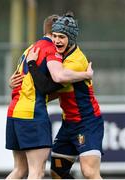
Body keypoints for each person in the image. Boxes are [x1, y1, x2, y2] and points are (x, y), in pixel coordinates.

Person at [6, 14, 93, 179]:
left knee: (19, 170)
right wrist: (85, 74)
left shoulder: (30, 49)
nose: (59, 40)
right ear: (54, 32)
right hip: (31, 114)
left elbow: (17, 80)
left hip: (14, 112)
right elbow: (57, 78)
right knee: (36, 172)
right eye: (58, 35)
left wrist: (11, 82)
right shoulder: (50, 49)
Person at [26, 12, 104, 179]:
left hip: (87, 123)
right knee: (58, 173)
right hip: (68, 124)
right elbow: (54, 89)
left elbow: (57, 79)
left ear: (71, 38)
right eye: (54, 36)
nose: (56, 41)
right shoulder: (59, 56)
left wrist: (86, 75)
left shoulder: (76, 61)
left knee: (90, 172)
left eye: (61, 37)